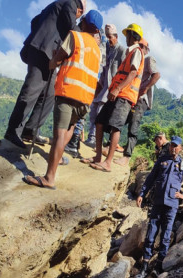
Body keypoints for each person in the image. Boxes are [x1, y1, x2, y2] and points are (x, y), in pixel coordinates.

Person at [24, 10, 103, 189]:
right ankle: (57, 159)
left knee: (59, 134)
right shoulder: (98, 51)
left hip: (68, 93)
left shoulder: (75, 37)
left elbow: (56, 61)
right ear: (97, 30)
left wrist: (52, 60)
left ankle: (49, 178)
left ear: (83, 23)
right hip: (85, 100)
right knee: (68, 131)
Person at [5, 0, 85, 149]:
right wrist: (85, 39)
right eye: (79, 15)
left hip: (45, 53)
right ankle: (13, 130)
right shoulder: (71, 3)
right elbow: (71, 28)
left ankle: (30, 130)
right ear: (79, 10)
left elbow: (35, 20)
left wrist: (40, 34)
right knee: (31, 91)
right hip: (42, 51)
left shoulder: (58, 5)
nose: (78, 17)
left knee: (49, 94)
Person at [86, 23, 145, 172]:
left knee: (115, 127)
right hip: (117, 93)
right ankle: (98, 157)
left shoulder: (136, 52)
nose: (126, 38)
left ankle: (107, 162)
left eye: (127, 35)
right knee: (99, 121)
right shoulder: (129, 52)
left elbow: (132, 73)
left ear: (132, 36)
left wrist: (118, 88)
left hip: (124, 95)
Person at [135, 135, 183, 278]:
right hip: (158, 202)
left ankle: (158, 266)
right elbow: (150, 178)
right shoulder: (162, 161)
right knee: (150, 234)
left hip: (172, 205)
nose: (173, 148)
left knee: (166, 236)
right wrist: (142, 193)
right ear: (169, 147)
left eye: (176, 146)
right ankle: (144, 267)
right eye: (171, 145)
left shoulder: (182, 164)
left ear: (180, 148)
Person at [66, 24, 126, 157]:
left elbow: (124, 71)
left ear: (116, 37)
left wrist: (118, 89)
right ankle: (90, 137)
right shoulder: (107, 50)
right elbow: (104, 69)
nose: (109, 40)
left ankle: (95, 139)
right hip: (102, 85)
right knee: (93, 112)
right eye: (107, 37)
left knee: (100, 113)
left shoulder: (122, 50)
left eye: (111, 37)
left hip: (112, 88)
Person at [114, 38, 161, 166]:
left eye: (142, 46)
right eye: (138, 45)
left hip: (140, 99)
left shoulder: (148, 59)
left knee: (133, 125)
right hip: (131, 96)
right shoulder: (135, 59)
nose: (139, 48)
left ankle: (127, 156)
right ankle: (111, 146)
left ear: (146, 50)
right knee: (119, 120)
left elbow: (156, 74)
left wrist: (145, 89)